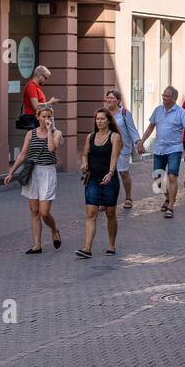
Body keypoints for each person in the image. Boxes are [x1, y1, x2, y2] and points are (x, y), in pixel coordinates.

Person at [4, 103, 63, 254]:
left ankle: (54, 229)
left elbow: (51, 148)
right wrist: (11, 172)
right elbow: (23, 154)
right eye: (44, 117)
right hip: (33, 173)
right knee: (34, 211)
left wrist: (50, 130)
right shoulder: (30, 134)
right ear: (37, 117)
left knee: (44, 212)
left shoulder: (57, 133)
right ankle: (37, 245)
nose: (46, 119)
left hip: (47, 172)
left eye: (49, 116)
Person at [137, 86, 185, 218]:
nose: (164, 98)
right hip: (159, 149)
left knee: (172, 176)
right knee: (158, 178)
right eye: (163, 95)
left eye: (166, 96)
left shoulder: (181, 112)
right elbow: (151, 126)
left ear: (174, 98)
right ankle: (168, 197)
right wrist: (141, 141)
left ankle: (171, 206)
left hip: (174, 149)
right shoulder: (158, 110)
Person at [75, 109, 122, 258]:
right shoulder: (90, 137)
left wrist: (111, 172)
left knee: (110, 213)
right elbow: (84, 154)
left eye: (102, 119)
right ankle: (87, 248)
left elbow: (114, 157)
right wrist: (84, 164)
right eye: (97, 119)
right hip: (93, 179)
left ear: (109, 120)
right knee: (91, 213)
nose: (99, 121)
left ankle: (111, 245)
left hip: (109, 180)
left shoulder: (115, 137)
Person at [105, 89, 140, 210]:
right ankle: (106, 200)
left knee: (123, 172)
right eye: (108, 97)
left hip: (122, 148)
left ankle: (128, 197)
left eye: (112, 98)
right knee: (106, 172)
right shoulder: (104, 113)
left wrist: (138, 142)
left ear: (118, 100)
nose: (109, 100)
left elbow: (132, 130)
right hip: (107, 148)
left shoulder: (124, 113)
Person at [19, 65, 59, 131]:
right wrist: (50, 102)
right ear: (39, 75)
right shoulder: (31, 86)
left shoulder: (36, 87)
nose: (45, 81)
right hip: (35, 122)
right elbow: (36, 106)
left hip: (39, 122)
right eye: (45, 78)